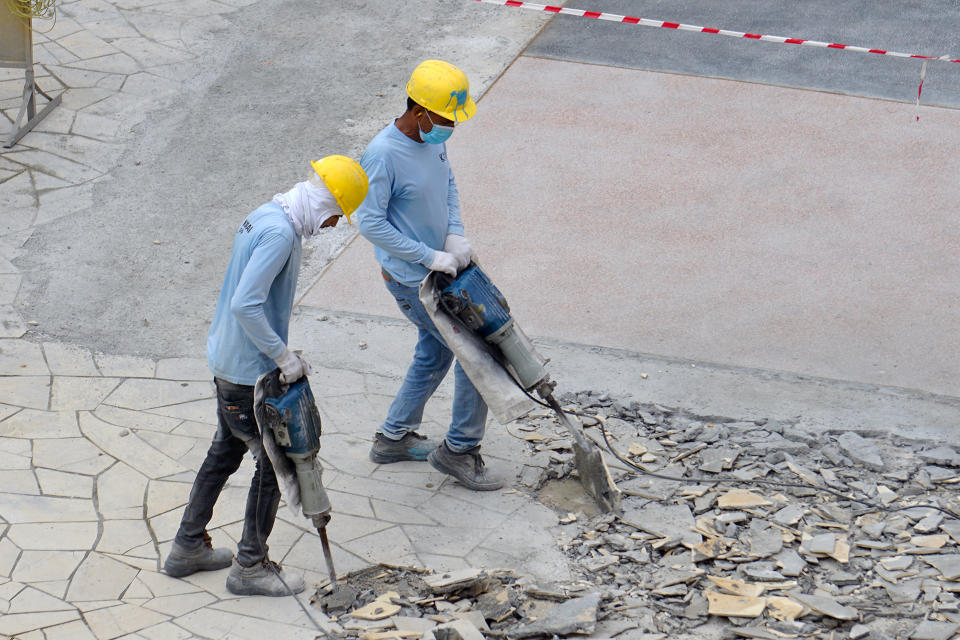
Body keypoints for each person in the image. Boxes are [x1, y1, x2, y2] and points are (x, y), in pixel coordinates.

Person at [162, 156, 368, 596]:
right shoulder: (279, 234)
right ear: (327, 201)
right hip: (245, 373)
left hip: (228, 361)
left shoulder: (267, 214)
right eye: (337, 215)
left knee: (224, 452)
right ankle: (250, 566)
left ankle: (187, 548)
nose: (334, 226)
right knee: (273, 468)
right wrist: (283, 357)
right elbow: (246, 304)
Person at [355, 59, 502, 491]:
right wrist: (427, 256)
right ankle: (459, 450)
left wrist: (454, 233)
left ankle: (393, 438)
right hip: (411, 281)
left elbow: (447, 181)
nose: (450, 127)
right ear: (419, 112)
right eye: (444, 119)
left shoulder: (429, 139)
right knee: (479, 357)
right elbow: (369, 223)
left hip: (440, 270)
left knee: (435, 353)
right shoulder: (382, 155)